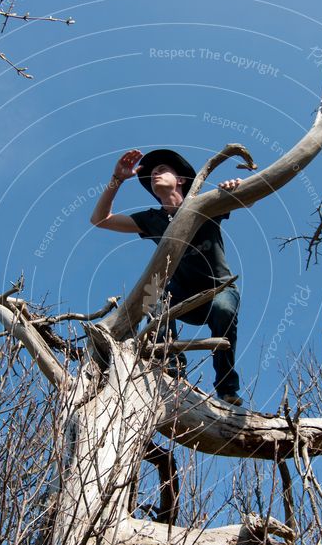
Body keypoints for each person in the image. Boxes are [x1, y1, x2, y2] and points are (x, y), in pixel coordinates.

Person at [90, 148, 245, 405]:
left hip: (219, 290)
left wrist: (236, 187)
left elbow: (247, 199)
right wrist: (116, 179)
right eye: (151, 174)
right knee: (153, 293)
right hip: (181, 297)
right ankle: (172, 371)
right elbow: (100, 220)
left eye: (161, 170)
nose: (154, 175)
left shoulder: (206, 203)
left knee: (223, 310)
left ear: (181, 180)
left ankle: (227, 388)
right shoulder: (152, 219)